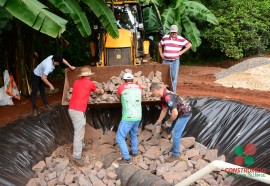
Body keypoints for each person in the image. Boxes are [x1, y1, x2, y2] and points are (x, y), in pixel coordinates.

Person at [68, 66, 104, 166]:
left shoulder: (76, 82)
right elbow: (97, 91)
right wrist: (102, 91)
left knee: (81, 128)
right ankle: (77, 156)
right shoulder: (89, 83)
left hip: (72, 109)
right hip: (78, 110)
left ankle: (81, 145)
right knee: (78, 133)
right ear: (88, 75)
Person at [150, 82, 192, 162]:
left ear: (155, 90)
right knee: (171, 122)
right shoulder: (163, 96)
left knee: (176, 134)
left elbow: (175, 113)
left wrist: (169, 122)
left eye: (152, 92)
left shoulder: (168, 97)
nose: (153, 94)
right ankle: (167, 132)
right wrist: (159, 121)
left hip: (184, 113)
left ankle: (175, 154)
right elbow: (164, 109)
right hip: (179, 111)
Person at [115, 72, 143, 165]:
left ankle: (126, 159)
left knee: (119, 137)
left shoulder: (121, 87)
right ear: (132, 80)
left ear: (124, 80)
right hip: (138, 116)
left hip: (128, 116)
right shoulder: (139, 87)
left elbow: (118, 96)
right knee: (134, 134)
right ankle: (134, 152)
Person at [159, 25, 192, 92]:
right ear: (170, 32)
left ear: (177, 32)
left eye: (175, 33)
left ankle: (173, 92)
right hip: (165, 60)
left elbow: (189, 45)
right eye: (172, 32)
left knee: (174, 77)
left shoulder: (180, 39)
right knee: (164, 76)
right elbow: (159, 45)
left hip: (175, 61)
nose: (173, 34)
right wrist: (161, 54)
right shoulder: (165, 38)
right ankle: (164, 92)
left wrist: (182, 52)